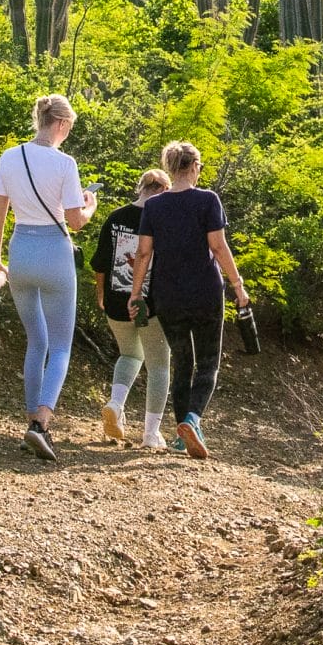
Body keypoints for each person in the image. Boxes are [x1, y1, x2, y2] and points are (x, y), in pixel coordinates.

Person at [0, 93, 93, 461]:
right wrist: (90, 207)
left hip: (20, 252)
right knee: (61, 345)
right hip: (54, 252)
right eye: (70, 128)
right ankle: (41, 423)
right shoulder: (65, 164)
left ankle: (31, 418)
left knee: (36, 341)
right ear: (60, 124)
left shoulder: (9, 156)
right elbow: (76, 221)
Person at [128, 141, 247, 460]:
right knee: (208, 363)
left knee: (182, 364)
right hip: (206, 293)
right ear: (194, 166)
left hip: (168, 296)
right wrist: (237, 284)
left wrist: (136, 293)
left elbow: (143, 252)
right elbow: (219, 248)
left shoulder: (154, 206)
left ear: (170, 167)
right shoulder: (208, 200)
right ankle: (193, 419)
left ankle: (182, 436)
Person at [88, 168, 174, 448]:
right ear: (163, 191)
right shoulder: (163, 220)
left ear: (140, 188)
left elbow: (100, 262)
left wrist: (101, 294)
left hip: (116, 301)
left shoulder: (116, 217)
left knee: (130, 354)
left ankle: (116, 403)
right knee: (159, 364)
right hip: (150, 305)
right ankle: (151, 434)